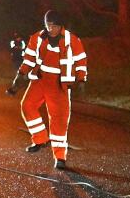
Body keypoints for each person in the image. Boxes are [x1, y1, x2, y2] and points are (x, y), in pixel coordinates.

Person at [11, 10, 88, 169]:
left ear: (61, 26)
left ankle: (60, 157)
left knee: (59, 120)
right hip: (40, 80)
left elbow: (81, 61)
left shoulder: (72, 40)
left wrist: (81, 80)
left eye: (53, 26)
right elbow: (29, 58)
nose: (50, 29)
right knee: (27, 106)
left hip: (59, 84)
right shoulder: (37, 38)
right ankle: (40, 139)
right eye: (48, 25)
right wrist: (21, 74)